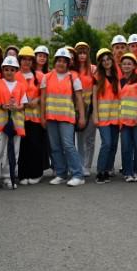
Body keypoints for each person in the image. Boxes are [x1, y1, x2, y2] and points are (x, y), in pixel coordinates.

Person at [40, 48, 86, 187]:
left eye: (64, 61)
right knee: (55, 147)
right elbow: (43, 99)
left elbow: (79, 99)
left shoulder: (73, 77)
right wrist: (43, 117)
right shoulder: (46, 77)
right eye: (59, 60)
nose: (61, 63)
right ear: (55, 62)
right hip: (51, 116)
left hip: (67, 117)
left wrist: (82, 117)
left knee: (68, 146)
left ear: (68, 63)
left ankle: (78, 174)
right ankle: (61, 173)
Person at [0, 56, 27, 191]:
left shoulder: (20, 86)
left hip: (16, 123)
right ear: (3, 70)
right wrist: (2, 106)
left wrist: (17, 107)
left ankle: (8, 177)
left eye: (12, 69)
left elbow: (24, 104)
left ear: (16, 71)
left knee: (13, 151)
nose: (9, 72)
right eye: (7, 69)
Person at [17, 46, 46, 185]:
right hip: (20, 115)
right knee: (23, 145)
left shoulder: (39, 76)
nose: (26, 62)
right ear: (19, 60)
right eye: (24, 59)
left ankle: (36, 173)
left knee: (35, 144)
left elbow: (45, 94)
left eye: (29, 59)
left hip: (35, 116)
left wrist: (37, 100)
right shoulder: (14, 75)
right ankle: (23, 173)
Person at [92, 48, 120, 183]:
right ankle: (100, 171)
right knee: (107, 143)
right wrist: (95, 115)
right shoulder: (97, 77)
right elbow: (94, 99)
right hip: (103, 116)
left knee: (114, 144)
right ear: (100, 63)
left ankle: (109, 168)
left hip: (116, 116)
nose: (106, 62)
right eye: (103, 61)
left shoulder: (117, 76)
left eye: (108, 59)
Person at [118, 53, 137, 182]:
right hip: (124, 119)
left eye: (129, 63)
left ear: (135, 66)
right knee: (126, 147)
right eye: (124, 64)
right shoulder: (119, 81)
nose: (126, 66)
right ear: (121, 66)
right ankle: (127, 172)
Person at [73, 42, 96, 177]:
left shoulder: (93, 69)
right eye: (79, 53)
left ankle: (87, 165)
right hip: (77, 108)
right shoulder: (73, 71)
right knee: (80, 138)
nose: (82, 55)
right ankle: (80, 163)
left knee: (90, 138)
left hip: (91, 107)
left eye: (84, 53)